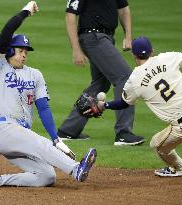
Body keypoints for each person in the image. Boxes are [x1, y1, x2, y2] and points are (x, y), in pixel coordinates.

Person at [0, 1, 97, 188]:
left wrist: (55, 138)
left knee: (47, 176)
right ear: (8, 51)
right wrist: (25, 12)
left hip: (22, 133)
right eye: (20, 50)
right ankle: (75, 169)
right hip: (4, 130)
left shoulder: (35, 74)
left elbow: (43, 107)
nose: (24, 54)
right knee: (40, 143)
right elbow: (6, 32)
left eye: (26, 52)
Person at [98, 36, 182, 176]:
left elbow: (123, 103)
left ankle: (181, 168)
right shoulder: (167, 57)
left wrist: (104, 105)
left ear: (133, 55)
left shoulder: (134, 80)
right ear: (152, 51)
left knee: (157, 145)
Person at [58, 0, 145, 146]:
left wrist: (128, 36)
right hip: (93, 38)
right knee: (125, 77)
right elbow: (70, 16)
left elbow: (123, 9)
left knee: (100, 84)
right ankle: (123, 133)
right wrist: (76, 49)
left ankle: (68, 130)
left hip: (106, 39)